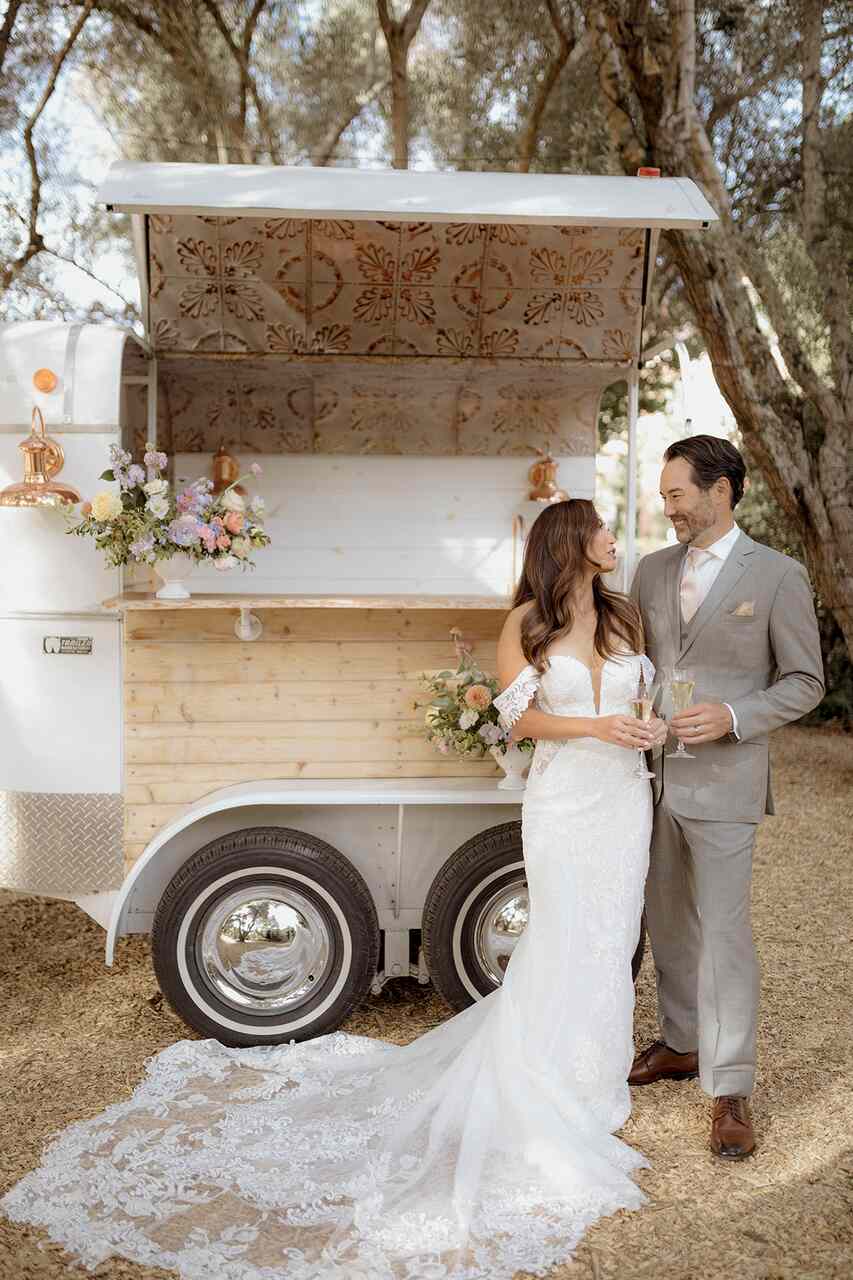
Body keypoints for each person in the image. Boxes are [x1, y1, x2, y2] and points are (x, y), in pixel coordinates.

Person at [1, 499, 667, 1280]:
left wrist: (645, 728)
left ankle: (594, 1074)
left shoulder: (625, 617)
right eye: (603, 526)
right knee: (560, 931)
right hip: (562, 805)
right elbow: (520, 724)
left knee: (611, 933)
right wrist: (594, 729)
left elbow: (642, 701)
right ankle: (551, 1082)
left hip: (621, 799)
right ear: (571, 541)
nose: (615, 537)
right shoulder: (524, 623)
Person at [628, 435, 824, 1160]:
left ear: (721, 490)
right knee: (668, 924)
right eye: (665, 495)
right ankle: (680, 1043)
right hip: (647, 781)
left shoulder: (776, 576)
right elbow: (636, 661)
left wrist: (735, 717)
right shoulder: (648, 571)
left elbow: (805, 681)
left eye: (677, 494)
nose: (668, 507)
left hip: (726, 783)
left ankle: (730, 1084)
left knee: (723, 934)